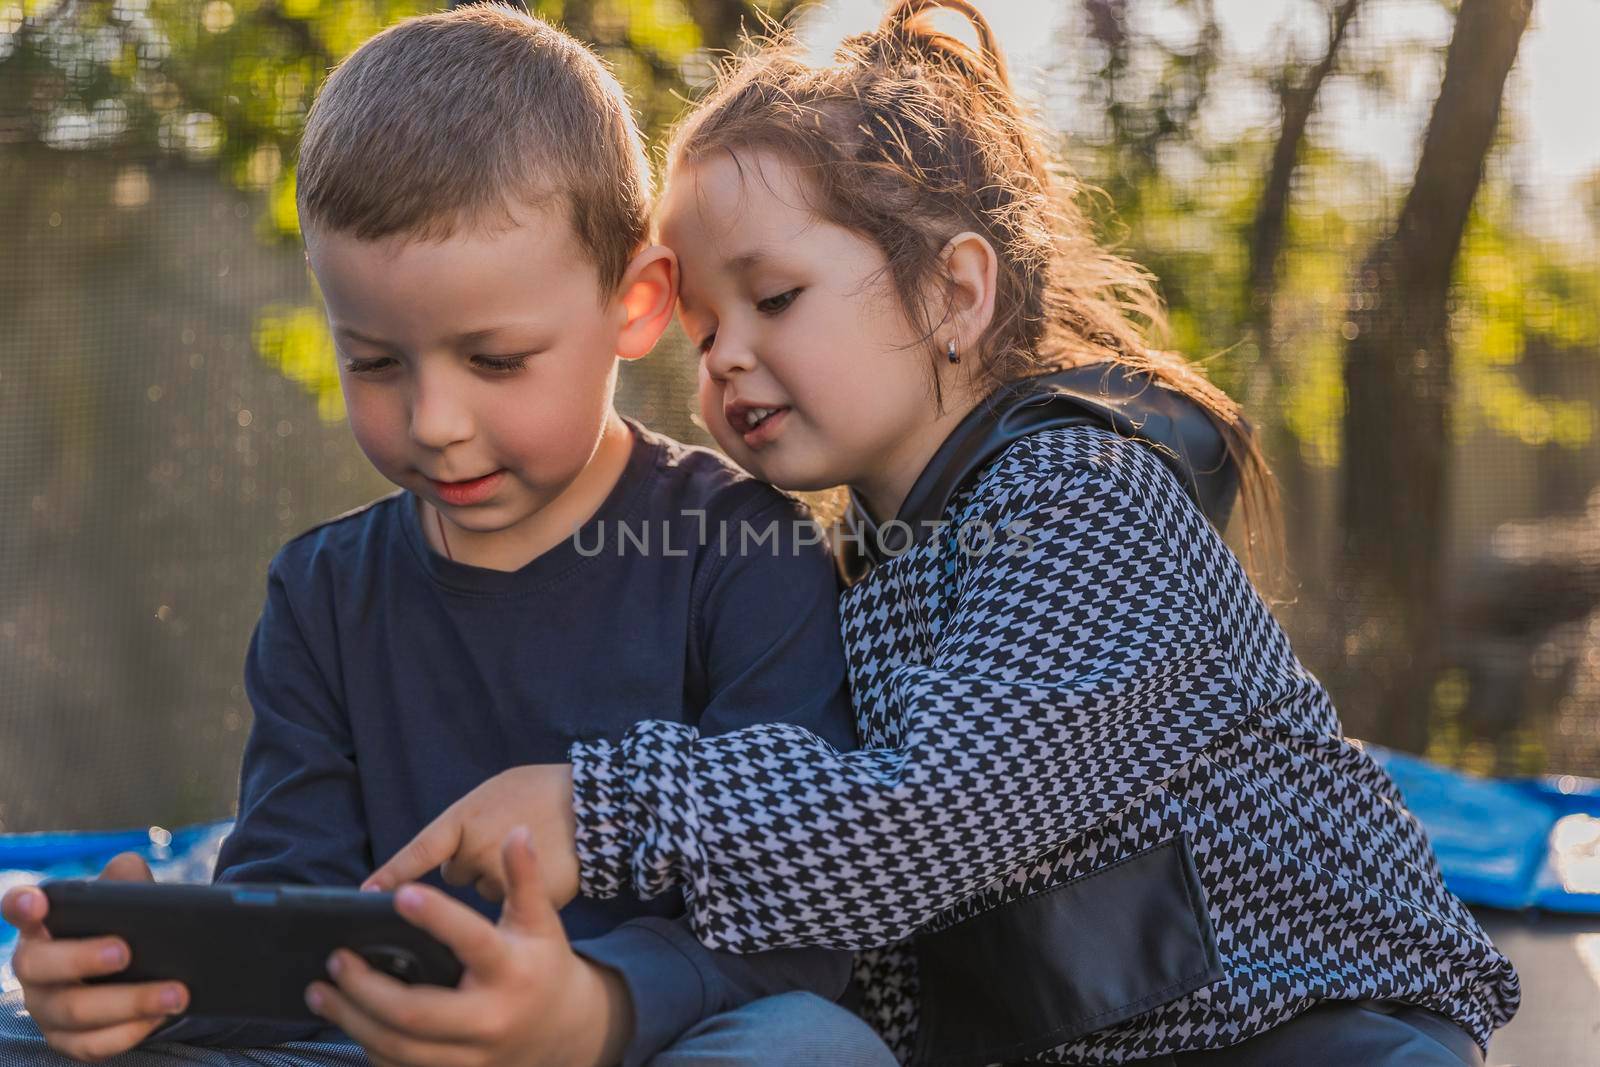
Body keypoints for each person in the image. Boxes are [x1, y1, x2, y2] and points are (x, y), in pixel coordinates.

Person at [369, 2, 1522, 1063]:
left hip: (1319, 1030)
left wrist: (603, 808)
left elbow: (935, 810)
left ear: (954, 296)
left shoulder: (1079, 499)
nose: (721, 354)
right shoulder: (857, 562)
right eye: (704, 324)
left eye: (772, 300)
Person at [0, 7, 896, 1066]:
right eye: (376, 362)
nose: (433, 421)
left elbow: (799, 920)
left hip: (654, 1039)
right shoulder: (323, 592)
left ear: (638, 304)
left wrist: (593, 1006)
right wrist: (151, 980)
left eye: (496, 359)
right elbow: (288, 914)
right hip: (385, 1042)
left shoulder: (743, 551)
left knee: (812, 1045)